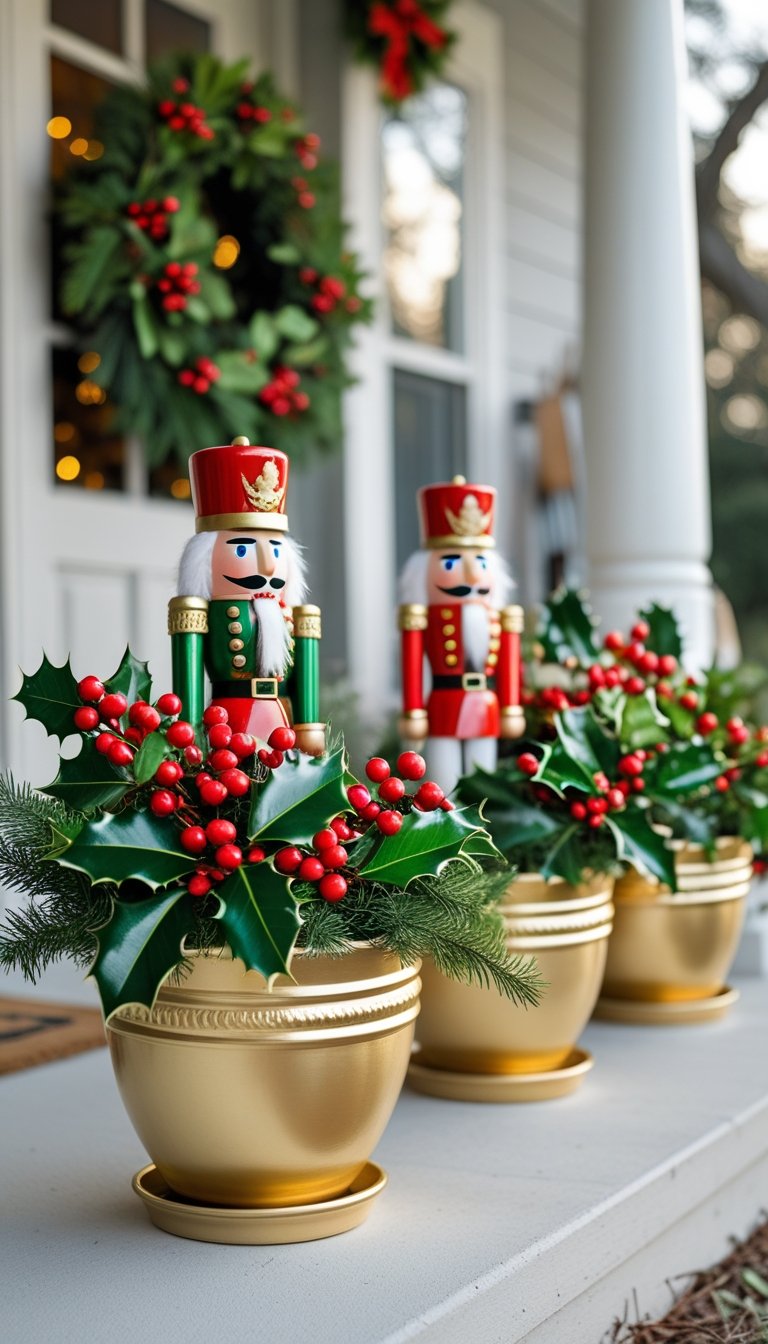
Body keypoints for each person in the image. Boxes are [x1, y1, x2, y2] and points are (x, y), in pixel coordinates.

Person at [168, 437, 324, 754]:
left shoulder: (292, 615)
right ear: (204, 559)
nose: (267, 565)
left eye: (276, 548)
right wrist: (189, 732)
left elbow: (304, 676)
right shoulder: (199, 611)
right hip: (228, 723)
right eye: (243, 548)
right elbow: (189, 676)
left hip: (281, 722)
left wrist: (308, 726)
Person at [398, 475, 524, 793]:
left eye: (480, 560)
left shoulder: (500, 617)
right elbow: (412, 664)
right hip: (443, 704)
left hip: (485, 706)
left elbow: (508, 661)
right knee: (443, 784)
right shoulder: (422, 618)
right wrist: (414, 711)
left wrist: (511, 708)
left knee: (484, 785)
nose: (471, 574)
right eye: (452, 561)